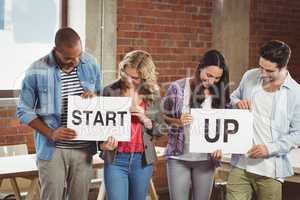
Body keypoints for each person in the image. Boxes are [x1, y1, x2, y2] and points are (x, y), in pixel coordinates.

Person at [16, 27, 101, 200]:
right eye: (69, 58)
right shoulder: (36, 70)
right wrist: (51, 133)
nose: (76, 61)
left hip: (83, 149)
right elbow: (24, 110)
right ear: (56, 51)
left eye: (79, 55)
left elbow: (101, 99)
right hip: (51, 149)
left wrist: (95, 98)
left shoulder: (90, 63)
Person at [226, 40, 300, 200]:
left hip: (271, 169)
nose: (263, 74)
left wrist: (269, 148)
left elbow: (297, 133)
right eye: (261, 67)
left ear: (283, 66)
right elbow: (233, 97)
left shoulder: (296, 93)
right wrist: (237, 103)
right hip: (241, 163)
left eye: (269, 70)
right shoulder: (250, 76)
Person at [163, 50, 230, 200]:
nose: (211, 81)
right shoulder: (178, 88)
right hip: (178, 157)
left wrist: (221, 146)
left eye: (217, 78)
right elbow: (162, 117)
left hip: (206, 160)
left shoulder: (221, 93)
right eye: (209, 75)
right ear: (200, 68)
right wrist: (177, 121)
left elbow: (225, 125)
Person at [99, 50, 164, 200]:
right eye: (126, 74)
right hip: (116, 159)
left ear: (144, 77)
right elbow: (99, 126)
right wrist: (102, 144)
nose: (128, 80)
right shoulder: (110, 91)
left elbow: (161, 129)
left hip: (141, 160)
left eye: (134, 77)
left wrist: (145, 119)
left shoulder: (152, 93)